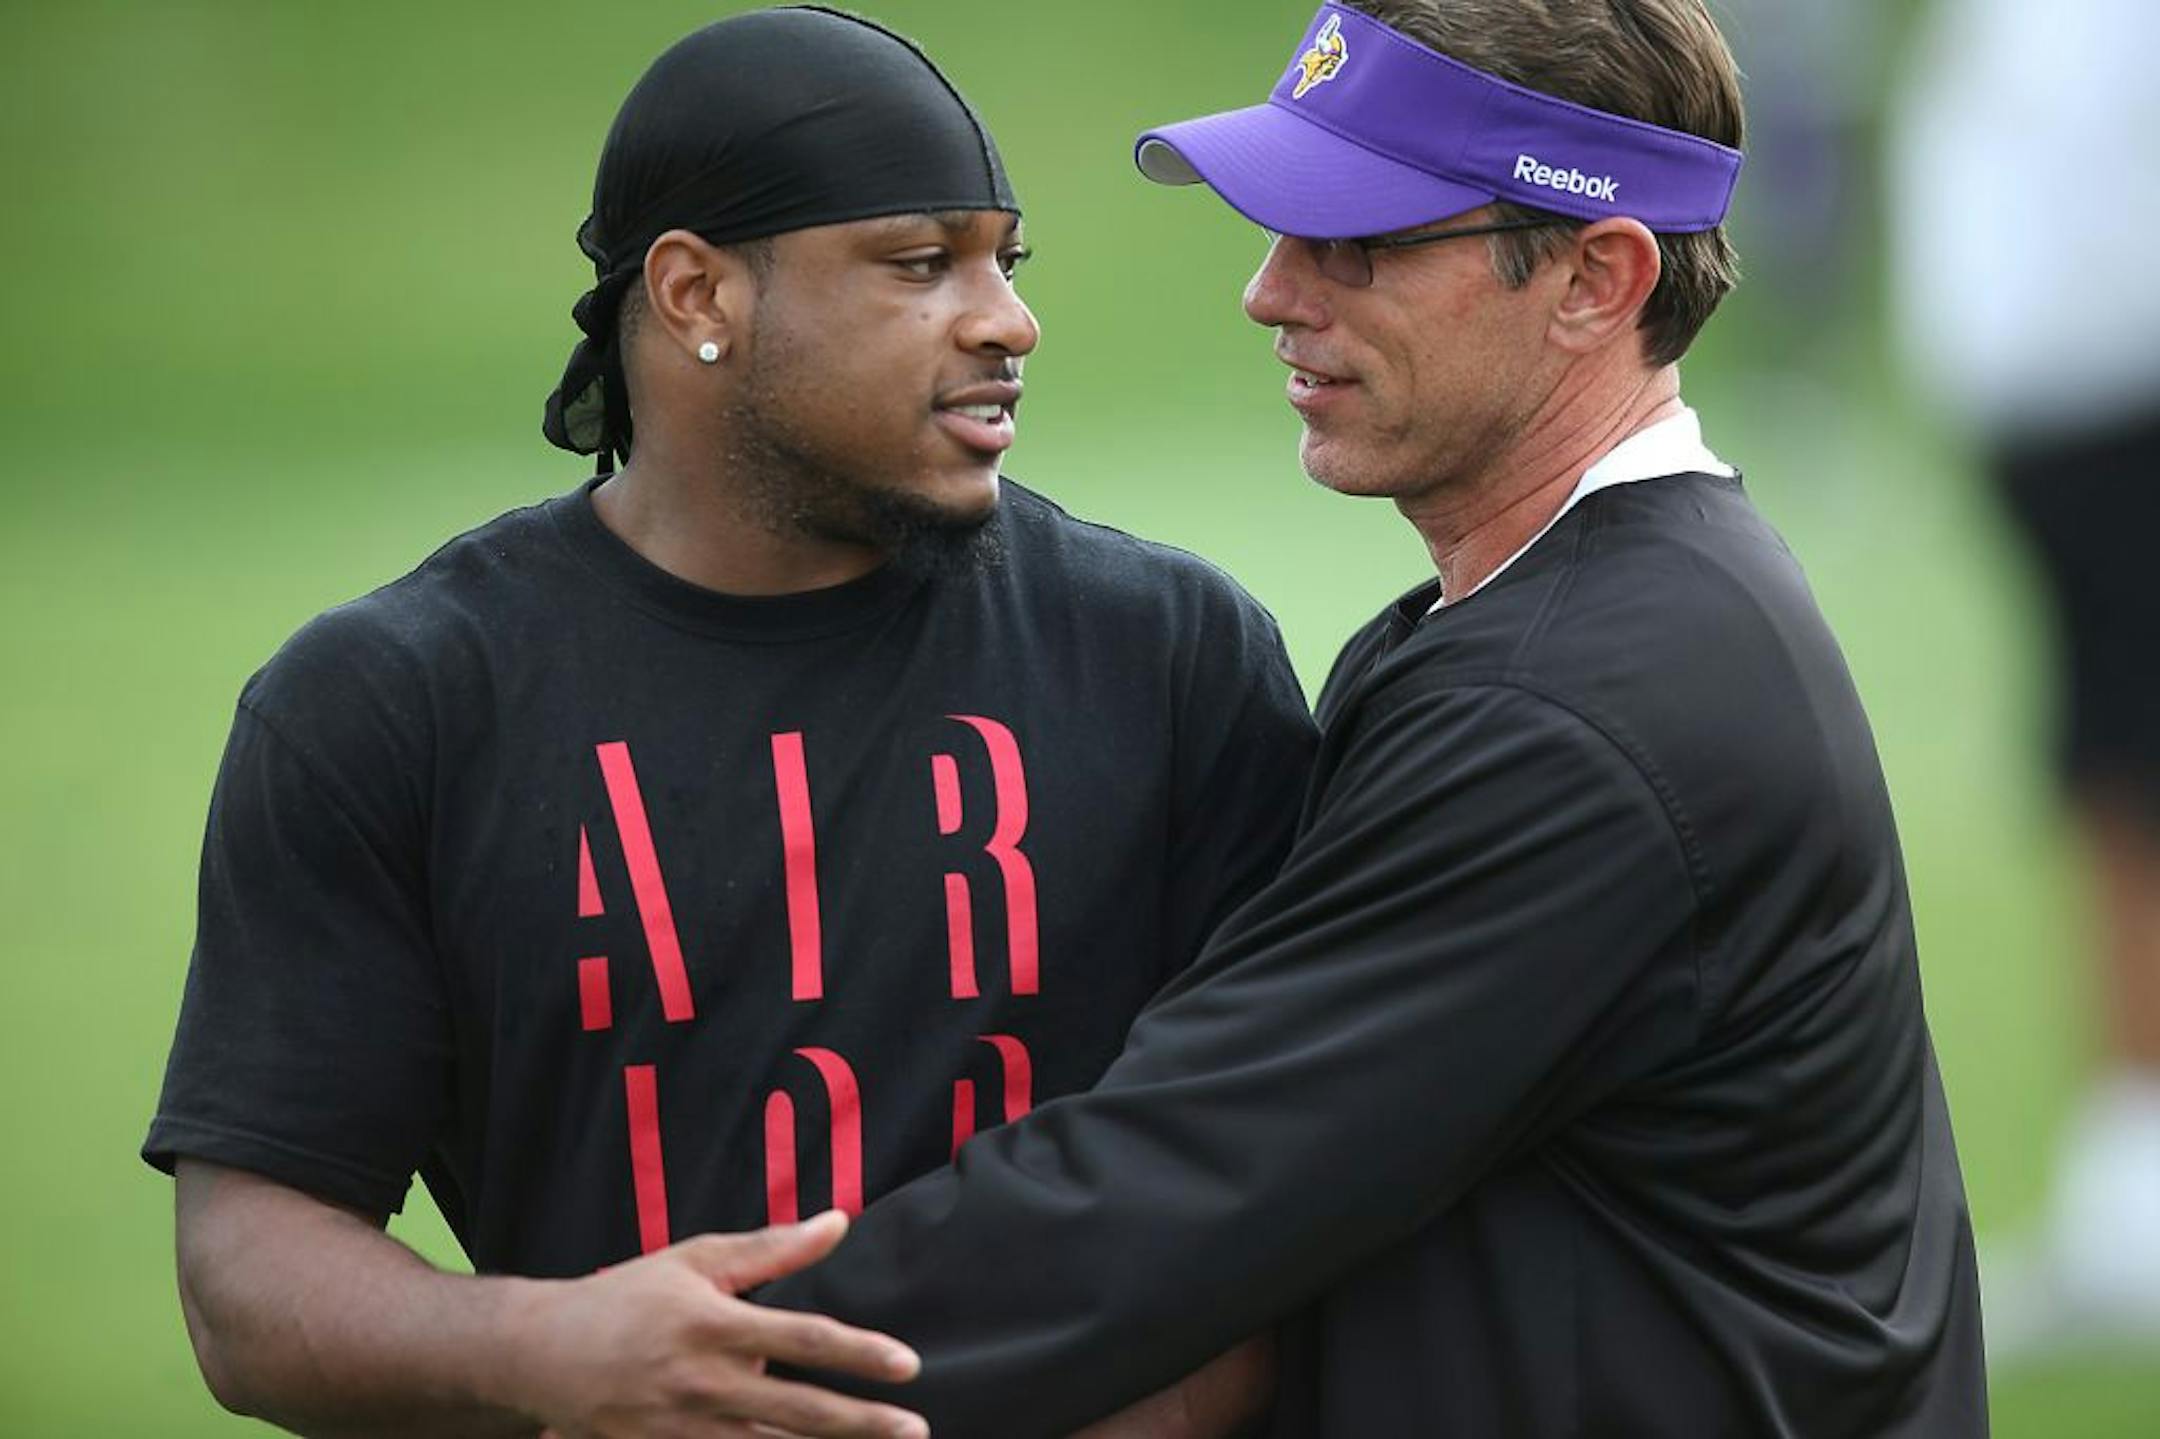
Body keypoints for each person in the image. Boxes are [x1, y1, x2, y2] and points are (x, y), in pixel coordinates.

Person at [752, 4, 1991, 1435]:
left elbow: (1168, 1190)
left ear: (1597, 276)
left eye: (1365, 242)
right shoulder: (1588, 623)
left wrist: (658, 1371)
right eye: (1283, 229)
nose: (1273, 293)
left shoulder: (1567, 714)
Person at [140, 8, 1313, 1437]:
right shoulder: (393, 703)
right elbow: (248, 1274)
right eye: (920, 262)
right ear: (697, 296)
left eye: (1006, 260)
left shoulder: (1169, 655)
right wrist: (545, 1347)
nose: (1007, 317)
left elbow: (1290, 1196)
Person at [1892, 0, 2160, 1362]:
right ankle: (2133, 1189)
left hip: (2130, 393)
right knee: (2113, 773)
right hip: (2061, 417)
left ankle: (2137, 1205)